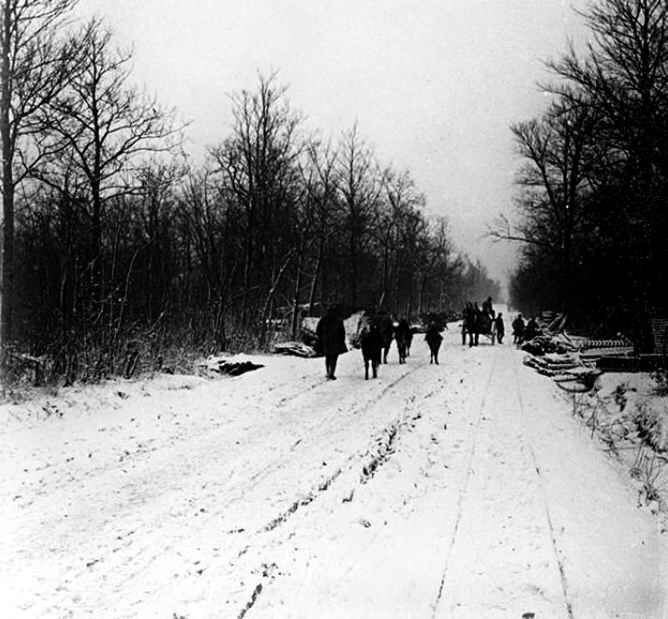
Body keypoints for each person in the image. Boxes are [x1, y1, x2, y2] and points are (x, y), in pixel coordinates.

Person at [316, 304, 347, 379]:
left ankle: (328, 372)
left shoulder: (323, 319)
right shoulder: (338, 320)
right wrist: (342, 341)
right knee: (334, 357)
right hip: (336, 341)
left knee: (328, 357)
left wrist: (321, 338)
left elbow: (318, 330)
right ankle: (331, 373)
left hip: (326, 341)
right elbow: (342, 332)